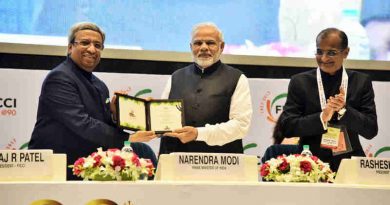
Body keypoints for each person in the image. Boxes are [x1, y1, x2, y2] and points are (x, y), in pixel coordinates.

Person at [28, 22, 157, 180]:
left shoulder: (99, 85)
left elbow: (103, 124)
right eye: (84, 43)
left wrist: (117, 113)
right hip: (57, 167)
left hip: (87, 162)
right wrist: (127, 138)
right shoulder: (59, 78)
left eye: (97, 45)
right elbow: (83, 123)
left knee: (143, 153)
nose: (91, 49)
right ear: (70, 48)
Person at [280, 28, 378, 171]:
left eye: (331, 53)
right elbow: (287, 127)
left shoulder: (360, 82)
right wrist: (322, 117)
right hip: (309, 164)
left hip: (349, 164)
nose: (324, 58)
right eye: (319, 52)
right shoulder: (300, 82)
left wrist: (344, 111)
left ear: (346, 52)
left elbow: (371, 130)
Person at [158, 22, 252, 154]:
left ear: (222, 46)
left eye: (210, 43)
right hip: (175, 161)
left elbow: (240, 126)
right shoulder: (176, 77)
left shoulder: (237, 78)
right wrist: (149, 115)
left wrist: (198, 133)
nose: (203, 48)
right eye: (198, 43)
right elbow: (162, 121)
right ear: (191, 47)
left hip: (219, 164)